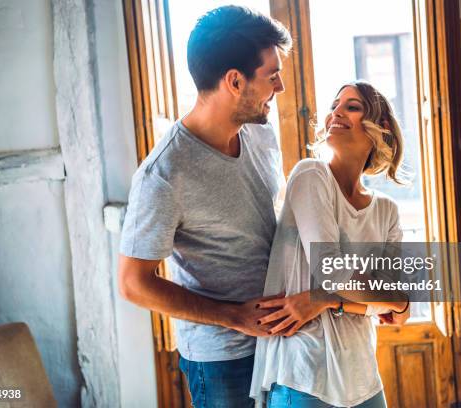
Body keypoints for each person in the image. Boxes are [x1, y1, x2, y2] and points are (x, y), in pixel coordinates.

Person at [117, 6, 291, 408]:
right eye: (271, 76)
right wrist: (235, 317)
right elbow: (132, 283)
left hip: (281, 343)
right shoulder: (164, 174)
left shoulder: (260, 132)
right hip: (221, 361)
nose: (279, 87)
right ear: (234, 80)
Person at [250, 80, 411, 408]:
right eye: (334, 105)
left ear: (378, 127)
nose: (336, 112)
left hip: (364, 380)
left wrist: (320, 301)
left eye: (352, 107)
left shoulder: (386, 211)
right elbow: (337, 275)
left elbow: (397, 308)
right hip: (305, 375)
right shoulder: (311, 176)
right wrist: (394, 299)